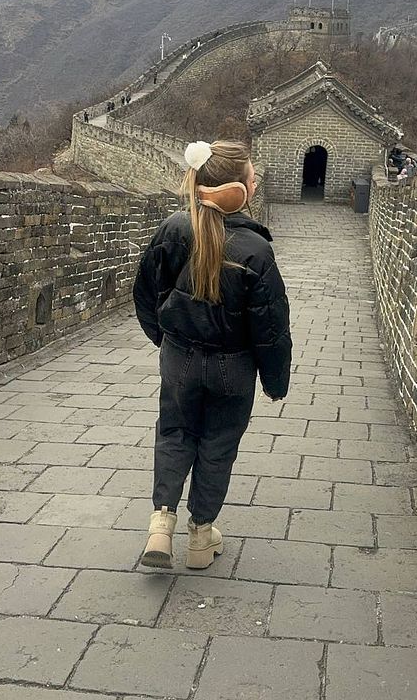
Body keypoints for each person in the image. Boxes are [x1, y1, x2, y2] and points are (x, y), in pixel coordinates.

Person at [133, 139, 292, 570]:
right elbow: (271, 329)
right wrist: (276, 382)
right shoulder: (257, 251)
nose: (256, 181)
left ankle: (160, 527)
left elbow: (145, 291)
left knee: (174, 434)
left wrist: (164, 340)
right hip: (233, 369)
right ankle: (201, 537)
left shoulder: (173, 228)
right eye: (252, 176)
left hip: (180, 359)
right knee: (218, 446)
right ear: (237, 191)